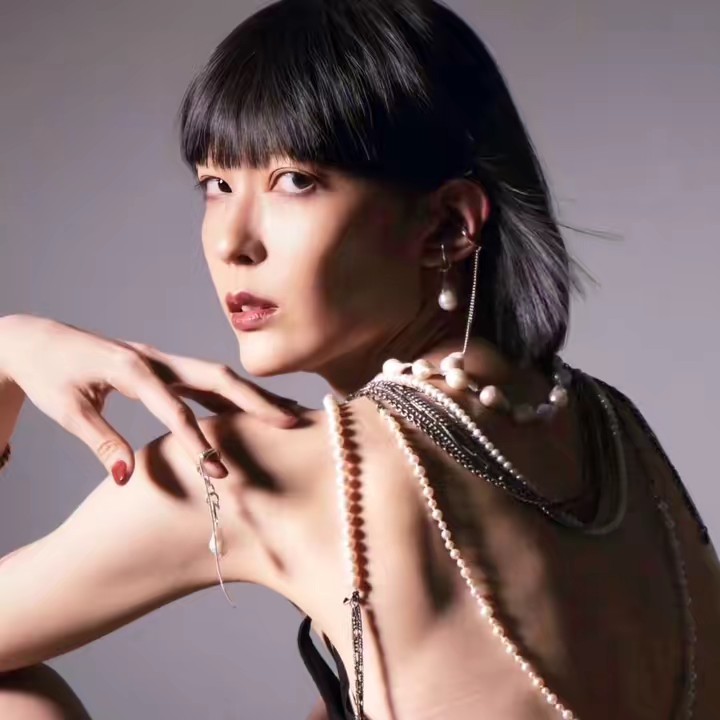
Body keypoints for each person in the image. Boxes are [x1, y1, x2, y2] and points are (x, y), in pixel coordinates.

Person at [0, 1, 718, 719]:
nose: (231, 243)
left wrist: (10, 351)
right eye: (216, 185)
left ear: (446, 224)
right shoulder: (615, 432)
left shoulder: (258, 472)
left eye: (295, 181)